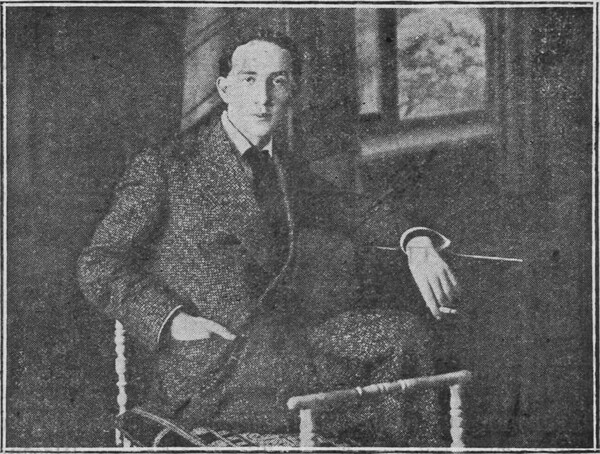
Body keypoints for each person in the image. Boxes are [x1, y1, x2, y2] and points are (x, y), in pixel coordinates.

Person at [78, 30, 459, 447]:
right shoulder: (167, 166)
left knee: (406, 337)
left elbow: (355, 210)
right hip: (214, 366)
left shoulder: (282, 167)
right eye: (248, 79)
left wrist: (416, 241)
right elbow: (99, 264)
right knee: (368, 393)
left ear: (292, 90)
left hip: (284, 346)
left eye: (277, 81)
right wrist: (173, 321)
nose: (263, 97)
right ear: (225, 89)